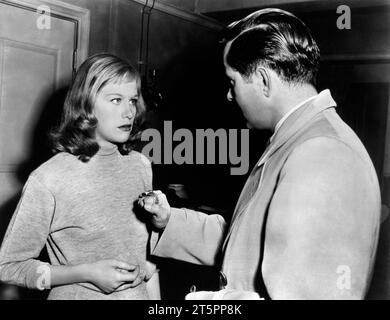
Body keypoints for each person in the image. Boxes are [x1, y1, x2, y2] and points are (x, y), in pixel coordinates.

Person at [139, 8, 381, 299]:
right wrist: (169, 222)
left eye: (233, 82)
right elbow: (251, 239)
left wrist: (210, 303)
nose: (229, 96)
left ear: (264, 81)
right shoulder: (299, 137)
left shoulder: (322, 153)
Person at [0, 53, 160, 300]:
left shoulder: (140, 166)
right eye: (116, 100)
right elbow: (8, 266)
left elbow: (140, 253)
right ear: (86, 105)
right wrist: (86, 273)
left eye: (132, 100)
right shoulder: (49, 178)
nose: (129, 112)